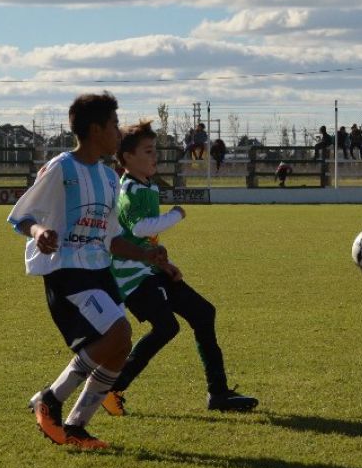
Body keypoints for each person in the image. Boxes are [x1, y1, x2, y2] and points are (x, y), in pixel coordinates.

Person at [10, 92, 169, 449]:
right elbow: (20, 218)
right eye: (114, 124)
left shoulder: (110, 178)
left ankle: (77, 426)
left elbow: (111, 238)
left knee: (119, 344)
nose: (118, 131)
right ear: (96, 130)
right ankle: (50, 399)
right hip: (67, 271)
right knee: (118, 332)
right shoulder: (61, 168)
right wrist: (39, 232)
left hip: (99, 271)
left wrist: (150, 256)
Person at [101, 120, 259, 416]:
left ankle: (219, 393)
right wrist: (175, 215)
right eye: (148, 151)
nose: (154, 157)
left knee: (204, 313)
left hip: (149, 269)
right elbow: (141, 226)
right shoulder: (132, 189)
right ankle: (113, 387)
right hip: (132, 276)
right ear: (127, 158)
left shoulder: (145, 186)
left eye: (155, 150)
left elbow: (141, 238)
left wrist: (165, 264)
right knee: (166, 327)